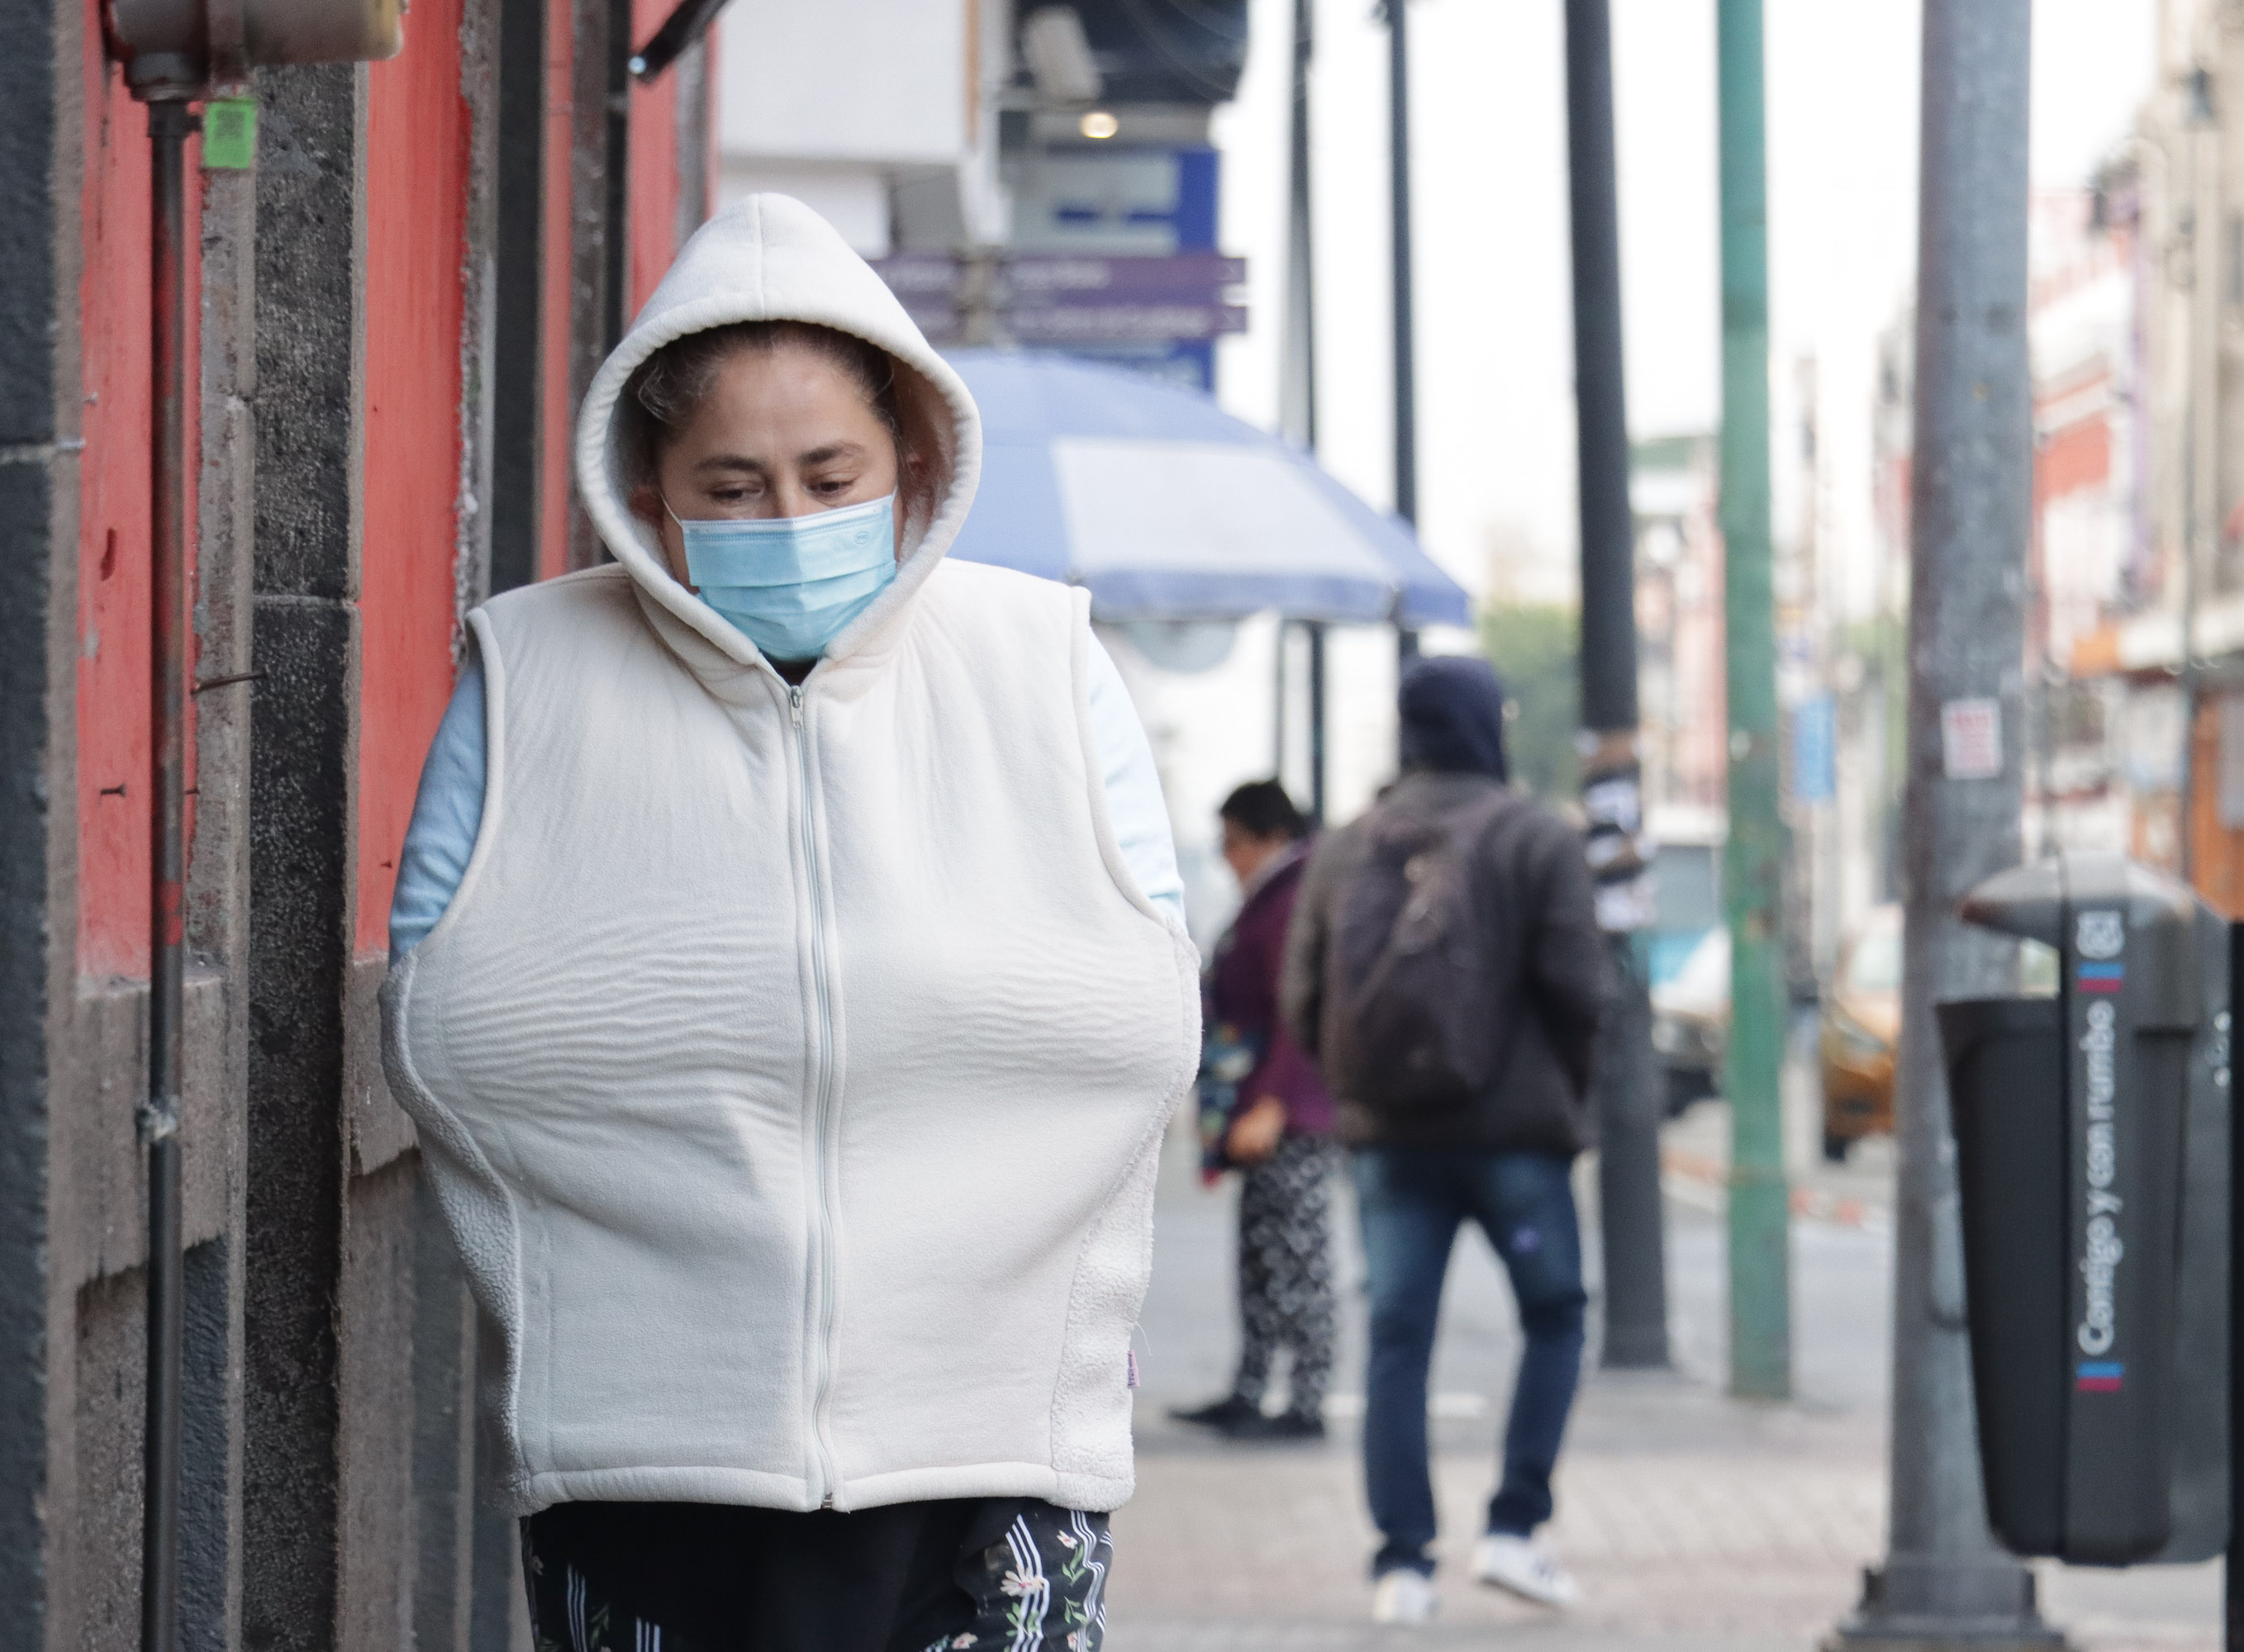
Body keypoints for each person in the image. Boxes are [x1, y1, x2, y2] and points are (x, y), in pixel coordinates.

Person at [379, 194, 1199, 1652]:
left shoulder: (1038, 662)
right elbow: (451, 1022)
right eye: (735, 487)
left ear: (914, 464)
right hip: (643, 1459)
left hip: (993, 1449)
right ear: (648, 487)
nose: (790, 521)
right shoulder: (535, 669)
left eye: (832, 476)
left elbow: (1137, 1003)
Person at [1281, 656, 1604, 1626]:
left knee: (1396, 1337)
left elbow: (1304, 996)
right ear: (1487, 726)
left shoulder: (1346, 847)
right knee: (1554, 1316)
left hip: (1390, 1142)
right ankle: (1514, 1527)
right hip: (1516, 1140)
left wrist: (1360, 1092)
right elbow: (1583, 988)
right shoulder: (1534, 835)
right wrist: (1563, 1096)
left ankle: (1402, 1564)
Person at [1172, 780, 1338, 1442]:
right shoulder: (1274, 897)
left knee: (1299, 1259)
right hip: (1265, 1108)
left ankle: (1306, 1400)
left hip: (1287, 1113)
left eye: (1234, 844)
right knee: (1264, 1258)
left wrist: (1272, 1102)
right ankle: (1252, 1388)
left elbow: (1304, 1013)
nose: (1226, 859)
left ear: (1272, 838)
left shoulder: (1294, 898)